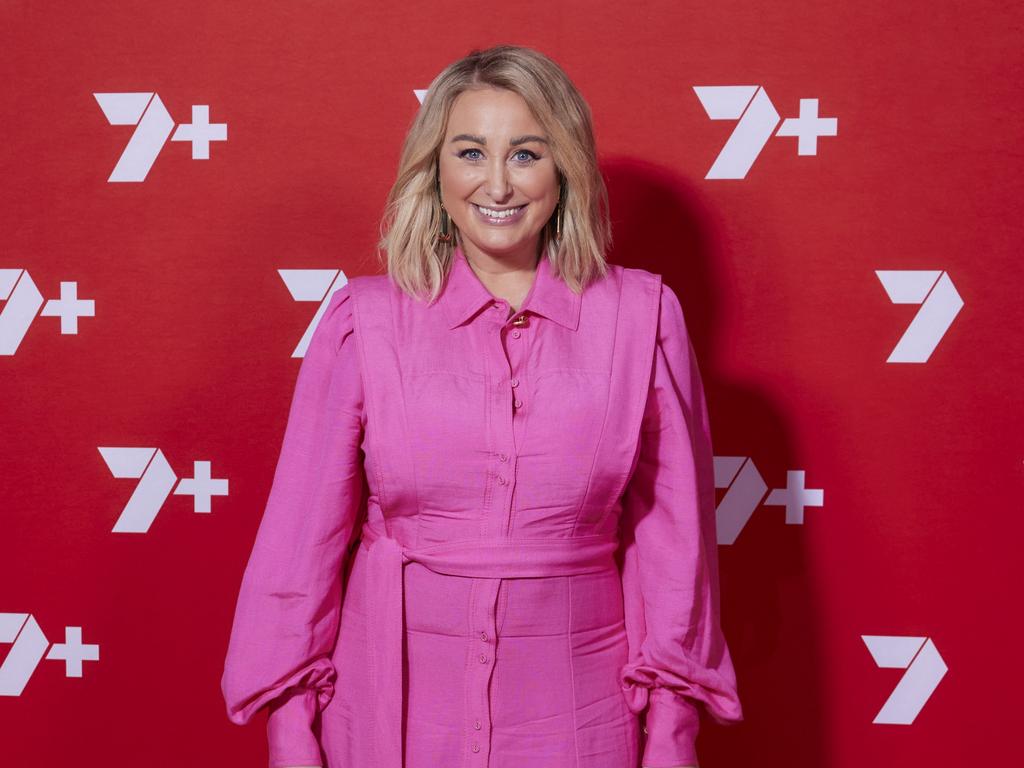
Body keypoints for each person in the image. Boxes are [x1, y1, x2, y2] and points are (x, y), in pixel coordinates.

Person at [221, 44, 743, 768]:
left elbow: (675, 545)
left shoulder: (642, 317)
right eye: (471, 152)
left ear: (565, 169)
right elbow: (299, 546)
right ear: (436, 171)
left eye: (526, 154)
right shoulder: (362, 323)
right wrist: (289, 732)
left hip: (580, 717)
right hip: (388, 711)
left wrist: (672, 732)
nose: (497, 182)